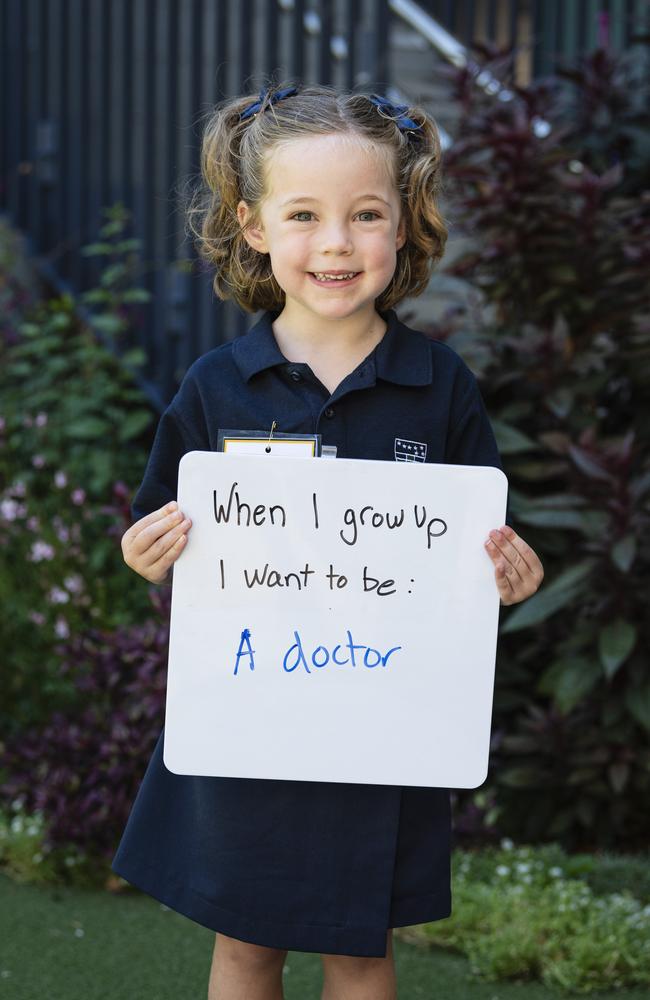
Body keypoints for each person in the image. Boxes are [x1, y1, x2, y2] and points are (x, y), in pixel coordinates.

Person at [112, 81, 544, 1000]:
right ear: (253, 225)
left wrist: (509, 573)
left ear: (405, 222)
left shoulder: (441, 387)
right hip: (249, 723)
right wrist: (144, 552)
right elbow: (163, 530)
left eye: (367, 214)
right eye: (304, 214)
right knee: (245, 948)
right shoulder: (216, 386)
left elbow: (482, 544)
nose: (338, 243)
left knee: (361, 952)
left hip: (382, 731)